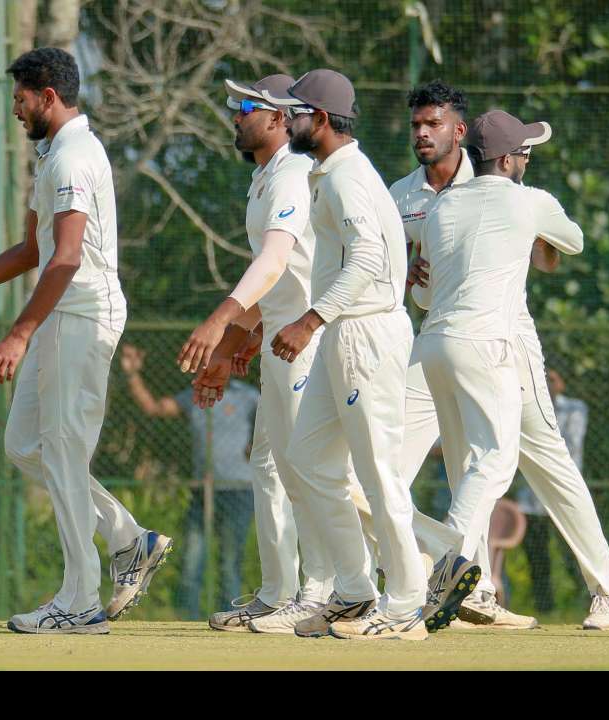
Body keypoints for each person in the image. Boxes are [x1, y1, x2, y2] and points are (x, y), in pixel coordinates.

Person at [0, 48, 171, 634]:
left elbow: (67, 257)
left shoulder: (75, 156)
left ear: (49, 96)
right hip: (61, 313)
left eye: (21, 98)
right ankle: (129, 539)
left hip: (81, 314)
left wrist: (18, 333)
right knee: (23, 445)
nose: (15, 109)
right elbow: (33, 252)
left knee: (61, 449)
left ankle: (80, 600)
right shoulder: (52, 154)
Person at [395, 85, 609, 631]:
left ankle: (471, 584)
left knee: (460, 465)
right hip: (497, 347)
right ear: (508, 158)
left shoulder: (439, 209)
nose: (528, 159)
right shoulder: (531, 199)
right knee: (501, 460)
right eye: (524, 151)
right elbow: (573, 243)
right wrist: (534, 229)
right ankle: (459, 564)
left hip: (431, 347)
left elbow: (422, 296)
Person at [175, 74, 342, 633]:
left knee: (306, 469)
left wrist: (218, 323)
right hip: (277, 342)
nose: (234, 115)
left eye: (245, 106)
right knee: (269, 466)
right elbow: (275, 285)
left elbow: (272, 266)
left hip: (308, 342)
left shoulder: (293, 173)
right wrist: (230, 352)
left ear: (278, 117)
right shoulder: (265, 177)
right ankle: (279, 593)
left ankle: (321, 593)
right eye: (233, 106)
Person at [263, 70, 427, 640]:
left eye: (296, 114)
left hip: (366, 333)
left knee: (380, 473)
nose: (286, 122)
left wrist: (309, 321)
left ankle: (406, 605)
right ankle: (356, 592)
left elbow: (368, 261)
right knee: (308, 460)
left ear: (323, 120)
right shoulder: (330, 173)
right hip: (344, 333)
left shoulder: (347, 179)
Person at [120, 344, 257, 619]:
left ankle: (230, 619)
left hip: (239, 490)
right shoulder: (195, 395)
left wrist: (257, 447)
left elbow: (273, 424)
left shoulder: (250, 397)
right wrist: (132, 375)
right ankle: (188, 621)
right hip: (201, 490)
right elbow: (154, 408)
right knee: (191, 560)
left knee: (230, 563)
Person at [515, 369, 586, 615]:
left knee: (573, 554)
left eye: (552, 379)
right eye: (543, 379)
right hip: (531, 498)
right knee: (538, 558)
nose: (548, 384)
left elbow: (569, 443)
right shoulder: (523, 407)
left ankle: (588, 600)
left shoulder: (575, 408)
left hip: (562, 494)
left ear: (562, 383)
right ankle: (544, 607)